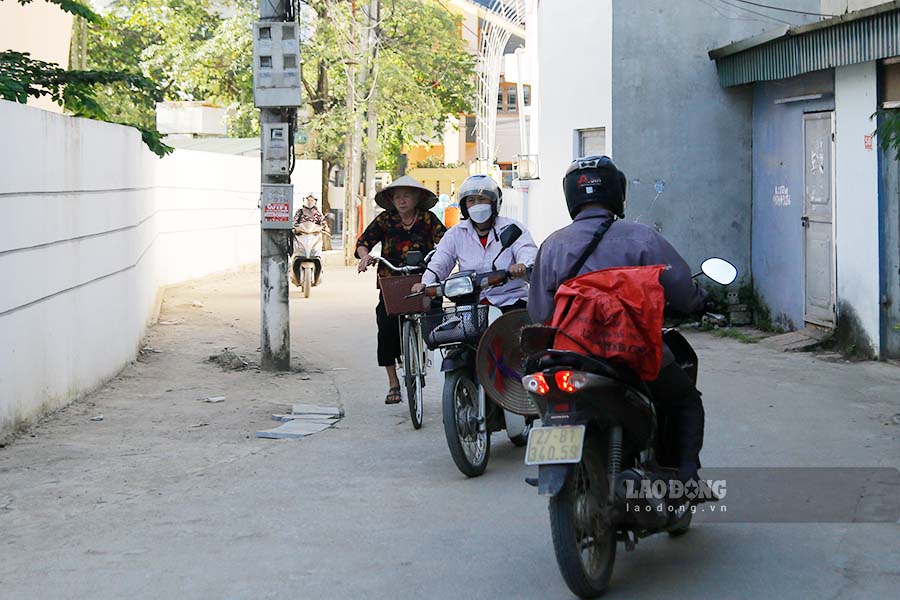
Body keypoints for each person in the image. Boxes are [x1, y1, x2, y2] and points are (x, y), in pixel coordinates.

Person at [528, 155, 708, 483]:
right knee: (685, 401)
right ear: (616, 191)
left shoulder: (552, 245)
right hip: (633, 353)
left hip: (574, 357)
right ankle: (686, 479)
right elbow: (682, 292)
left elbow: (540, 313)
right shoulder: (642, 238)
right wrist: (699, 301)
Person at [356, 176, 447, 405]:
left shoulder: (428, 219)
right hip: (392, 280)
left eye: (406, 195)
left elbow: (447, 242)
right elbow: (363, 241)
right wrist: (365, 256)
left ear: (417, 198)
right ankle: (393, 383)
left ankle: (449, 372)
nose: (401, 200)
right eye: (397, 196)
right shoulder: (386, 220)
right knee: (385, 326)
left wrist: (442, 257)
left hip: (423, 279)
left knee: (439, 321)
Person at [411, 174, 537, 312]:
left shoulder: (512, 227)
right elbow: (440, 261)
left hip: (511, 300)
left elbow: (526, 250)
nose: (477, 205)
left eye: (482, 199)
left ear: (494, 202)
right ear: (465, 206)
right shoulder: (455, 234)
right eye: (471, 200)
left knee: (518, 330)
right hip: (470, 305)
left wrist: (522, 265)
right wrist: (425, 283)